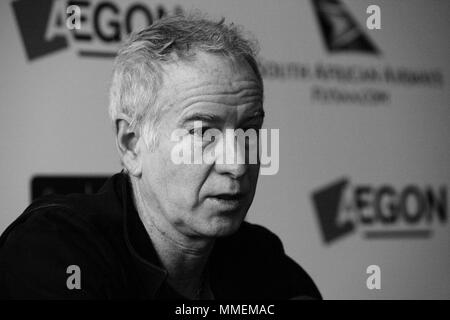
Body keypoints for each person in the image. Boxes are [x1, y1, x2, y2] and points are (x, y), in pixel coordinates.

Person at [0, 14, 321, 300]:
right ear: (131, 144)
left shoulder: (261, 261)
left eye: (249, 130)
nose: (236, 164)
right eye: (203, 134)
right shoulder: (54, 250)